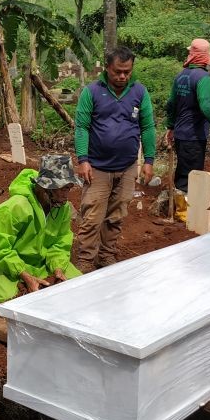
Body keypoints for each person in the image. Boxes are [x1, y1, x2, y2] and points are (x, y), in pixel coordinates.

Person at [73, 46, 155, 272]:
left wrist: (148, 160)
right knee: (92, 214)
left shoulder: (139, 92)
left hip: (127, 166)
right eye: (118, 71)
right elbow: (82, 127)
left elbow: (147, 127)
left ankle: (107, 254)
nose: (122, 76)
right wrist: (83, 160)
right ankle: (86, 258)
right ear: (107, 68)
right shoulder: (92, 92)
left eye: (127, 72)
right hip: (97, 166)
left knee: (117, 214)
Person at [0, 155, 83, 304]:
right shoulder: (15, 207)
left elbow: (60, 244)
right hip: (4, 262)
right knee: (4, 301)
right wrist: (25, 276)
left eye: (69, 188)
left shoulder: (63, 208)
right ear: (46, 187)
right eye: (63, 188)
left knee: (79, 284)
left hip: (39, 261)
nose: (66, 195)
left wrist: (58, 269)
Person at [165, 38, 210, 193]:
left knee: (183, 172)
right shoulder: (203, 78)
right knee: (191, 177)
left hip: (180, 134)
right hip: (194, 136)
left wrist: (171, 127)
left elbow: (171, 103)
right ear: (206, 56)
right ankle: (185, 212)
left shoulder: (180, 76)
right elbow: (206, 106)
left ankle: (178, 207)